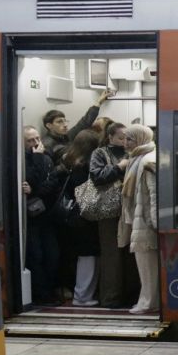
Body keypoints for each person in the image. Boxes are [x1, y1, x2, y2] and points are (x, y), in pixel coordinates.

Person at [90, 122, 137, 308]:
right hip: (108, 211)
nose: (125, 142)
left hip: (130, 208)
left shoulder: (133, 153)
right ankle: (111, 298)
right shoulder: (100, 153)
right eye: (120, 138)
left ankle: (131, 295)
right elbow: (97, 177)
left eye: (127, 138)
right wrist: (119, 167)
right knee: (111, 254)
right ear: (110, 137)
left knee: (131, 253)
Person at [118, 125, 159, 315]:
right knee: (146, 264)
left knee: (147, 265)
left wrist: (155, 222)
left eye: (130, 139)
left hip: (145, 221)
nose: (125, 143)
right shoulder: (139, 158)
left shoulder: (146, 160)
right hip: (141, 218)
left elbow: (154, 193)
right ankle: (148, 300)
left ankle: (148, 302)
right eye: (125, 139)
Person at [23, 126, 64, 306]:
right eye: (30, 140)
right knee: (36, 255)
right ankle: (41, 294)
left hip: (47, 214)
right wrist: (37, 158)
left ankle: (49, 290)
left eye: (37, 139)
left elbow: (52, 183)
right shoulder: (24, 160)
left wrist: (34, 191)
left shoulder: (46, 158)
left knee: (52, 255)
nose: (35, 143)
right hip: (30, 217)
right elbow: (28, 179)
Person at [60, 130, 102, 307]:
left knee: (83, 256)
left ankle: (82, 294)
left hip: (74, 215)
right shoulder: (85, 166)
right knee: (89, 255)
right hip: (85, 216)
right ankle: (83, 296)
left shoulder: (68, 161)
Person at [41, 89, 111, 162]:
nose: (65, 125)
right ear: (49, 125)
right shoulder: (46, 144)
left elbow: (85, 122)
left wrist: (99, 102)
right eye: (59, 122)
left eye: (65, 121)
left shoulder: (66, 136)